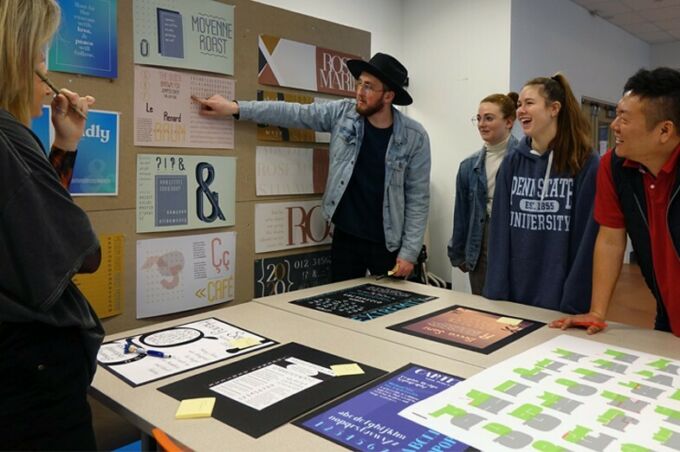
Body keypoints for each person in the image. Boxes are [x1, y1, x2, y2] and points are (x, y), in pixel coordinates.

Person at [194, 53, 430, 281]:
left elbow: (418, 198)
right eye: (359, 83)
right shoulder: (342, 114)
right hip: (346, 237)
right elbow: (294, 113)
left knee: (390, 311)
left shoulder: (414, 137)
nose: (359, 92)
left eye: (368, 86)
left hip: (388, 243)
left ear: (388, 96)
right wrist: (236, 108)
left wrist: (409, 252)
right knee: (341, 310)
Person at [0, 0, 103, 449]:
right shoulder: (8, 136)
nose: (46, 76)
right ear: (15, 55)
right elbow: (82, 252)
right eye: (42, 55)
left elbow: (30, 225)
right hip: (29, 382)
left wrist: (64, 142)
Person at [552, 67, 680, 335]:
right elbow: (610, 239)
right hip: (668, 311)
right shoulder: (614, 166)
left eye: (624, 118)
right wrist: (597, 312)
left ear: (664, 130)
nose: (614, 125)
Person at [483, 74, 599, 313]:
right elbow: (500, 229)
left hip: (561, 296)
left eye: (529, 103)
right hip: (515, 293)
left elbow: (586, 239)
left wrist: (574, 299)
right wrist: (496, 291)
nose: (520, 111)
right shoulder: (513, 161)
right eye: (518, 105)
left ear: (554, 108)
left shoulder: (584, 161)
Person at [448, 92, 519, 295]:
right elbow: (461, 213)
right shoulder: (468, 166)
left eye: (489, 118)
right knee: (483, 310)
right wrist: (458, 252)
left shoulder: (525, 161)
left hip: (512, 244)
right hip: (480, 244)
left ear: (508, 122)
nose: (482, 124)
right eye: (478, 118)